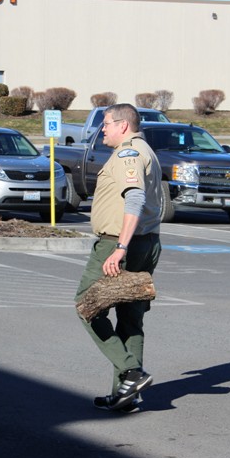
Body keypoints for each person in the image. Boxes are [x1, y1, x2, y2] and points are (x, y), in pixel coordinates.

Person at [74, 103, 163, 412]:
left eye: (107, 123)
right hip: (146, 242)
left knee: (87, 305)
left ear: (123, 125)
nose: (103, 129)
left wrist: (120, 247)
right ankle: (125, 395)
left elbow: (134, 197)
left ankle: (131, 371)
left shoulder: (129, 154)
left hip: (119, 245)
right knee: (130, 319)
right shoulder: (144, 150)